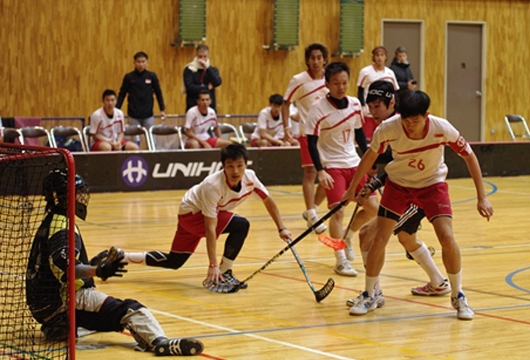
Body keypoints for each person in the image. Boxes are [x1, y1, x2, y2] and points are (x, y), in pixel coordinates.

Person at [342, 89, 493, 320]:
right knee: (379, 238)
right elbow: (369, 158)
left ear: (426, 116)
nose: (410, 125)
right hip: (398, 186)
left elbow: (469, 156)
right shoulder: (388, 129)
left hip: (432, 185)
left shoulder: (442, 128)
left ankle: (458, 295)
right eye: (406, 120)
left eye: (416, 120)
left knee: (446, 237)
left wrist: (482, 197)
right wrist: (353, 188)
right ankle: (369, 293)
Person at [26, 169, 203, 356]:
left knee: (104, 318)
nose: (82, 196)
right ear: (66, 196)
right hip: (63, 301)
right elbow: (66, 268)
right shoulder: (63, 227)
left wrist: (90, 263)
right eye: (77, 191)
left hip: (44, 306)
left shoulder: (51, 221)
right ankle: (160, 343)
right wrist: (99, 270)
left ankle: (62, 327)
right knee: (131, 310)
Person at [96, 144, 292, 293]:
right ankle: (225, 272)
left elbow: (268, 200)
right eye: (230, 166)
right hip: (192, 214)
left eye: (239, 166)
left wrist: (281, 228)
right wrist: (213, 265)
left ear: (246, 165)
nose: (235, 171)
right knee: (241, 225)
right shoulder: (213, 186)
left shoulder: (250, 177)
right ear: (223, 167)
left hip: (187, 213)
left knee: (174, 261)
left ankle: (123, 256)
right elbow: (210, 228)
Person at [344, 81, 451, 308]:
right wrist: (369, 185)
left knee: (369, 235)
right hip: (403, 189)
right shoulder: (388, 129)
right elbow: (395, 167)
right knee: (405, 236)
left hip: (421, 191)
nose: (372, 112)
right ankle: (438, 282)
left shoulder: (405, 126)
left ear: (392, 103)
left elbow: (404, 167)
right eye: (369, 106)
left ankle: (373, 293)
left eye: (377, 106)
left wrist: (371, 184)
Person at [305, 61, 377, 277]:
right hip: (333, 166)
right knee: (338, 213)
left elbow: (360, 135)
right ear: (327, 83)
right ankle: (340, 260)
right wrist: (320, 171)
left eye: (345, 82)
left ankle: (348, 235)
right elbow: (311, 142)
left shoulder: (355, 104)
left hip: (354, 163)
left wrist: (370, 160)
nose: (341, 87)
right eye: (336, 83)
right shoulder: (317, 109)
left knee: (373, 207)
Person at [282, 42, 329, 235]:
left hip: (329, 133)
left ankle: (313, 210)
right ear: (307, 61)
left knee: (330, 174)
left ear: (325, 59)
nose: (316, 61)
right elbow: (286, 104)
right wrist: (286, 128)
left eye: (319, 58)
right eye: (312, 58)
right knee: (311, 173)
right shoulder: (298, 80)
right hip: (308, 132)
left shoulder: (331, 78)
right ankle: (311, 214)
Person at [117, 51, 166, 130]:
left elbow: (158, 93)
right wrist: (117, 109)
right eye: (138, 62)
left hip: (148, 114)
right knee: (135, 139)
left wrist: (162, 109)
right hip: (133, 114)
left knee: (151, 137)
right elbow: (122, 94)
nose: (141, 64)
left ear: (147, 62)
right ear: (134, 62)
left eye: (143, 62)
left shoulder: (152, 76)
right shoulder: (129, 77)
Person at [183, 44, 222, 112]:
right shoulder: (189, 69)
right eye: (200, 56)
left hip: (209, 108)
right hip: (193, 107)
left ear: (208, 55)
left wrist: (207, 68)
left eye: (205, 56)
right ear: (196, 55)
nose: (203, 59)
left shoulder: (212, 70)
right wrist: (206, 88)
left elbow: (217, 82)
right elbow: (190, 87)